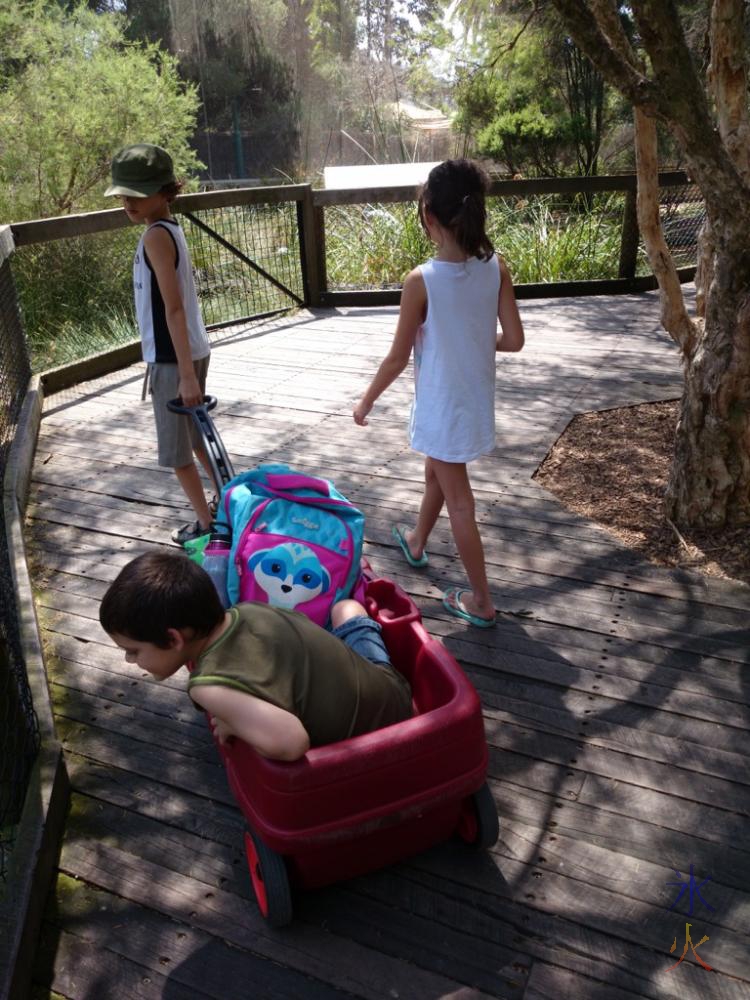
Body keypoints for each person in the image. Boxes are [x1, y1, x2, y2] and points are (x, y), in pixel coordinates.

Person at [353, 159, 525, 629]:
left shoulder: (421, 280)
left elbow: (396, 358)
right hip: (472, 405)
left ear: (428, 216)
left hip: (443, 409)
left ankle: (482, 602)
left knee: (461, 503)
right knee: (437, 474)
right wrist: (472, 338)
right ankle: (415, 542)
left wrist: (365, 401)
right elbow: (512, 340)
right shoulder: (496, 267)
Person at [99, 550, 413, 762]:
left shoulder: (207, 686)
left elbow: (291, 743)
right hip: (393, 692)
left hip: (372, 743)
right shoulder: (248, 610)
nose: (130, 660)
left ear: (173, 638)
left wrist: (233, 725)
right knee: (346, 610)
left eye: (133, 651)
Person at [105, 143, 213, 546]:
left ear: (165, 190)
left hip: (174, 359)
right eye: (123, 194)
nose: (127, 201)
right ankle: (228, 500)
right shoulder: (169, 228)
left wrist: (185, 376)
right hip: (191, 350)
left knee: (177, 451)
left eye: (137, 193)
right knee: (197, 437)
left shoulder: (155, 236)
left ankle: (205, 527)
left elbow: (173, 309)